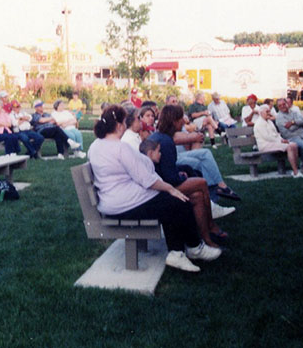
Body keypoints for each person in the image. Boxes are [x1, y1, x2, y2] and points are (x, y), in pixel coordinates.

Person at [88, 104, 220, 272]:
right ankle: (192, 249)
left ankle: (179, 252)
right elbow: (146, 179)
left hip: (112, 204)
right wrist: (171, 189)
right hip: (124, 206)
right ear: (120, 125)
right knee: (178, 201)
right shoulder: (120, 148)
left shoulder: (95, 146)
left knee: (170, 202)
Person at [146, 106, 229, 249]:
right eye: (181, 119)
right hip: (162, 188)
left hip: (161, 182)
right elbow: (170, 178)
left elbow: (166, 169)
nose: (183, 122)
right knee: (202, 183)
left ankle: (205, 238)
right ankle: (210, 227)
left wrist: (179, 173)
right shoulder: (166, 141)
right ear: (174, 121)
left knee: (197, 195)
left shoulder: (159, 136)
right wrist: (181, 177)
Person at [253, 104, 303, 177]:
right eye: (266, 111)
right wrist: (280, 141)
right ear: (260, 113)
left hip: (273, 143)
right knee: (289, 147)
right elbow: (267, 137)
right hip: (265, 145)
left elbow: (276, 134)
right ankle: (295, 172)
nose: (269, 113)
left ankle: (297, 169)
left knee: (294, 145)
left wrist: (282, 139)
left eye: (269, 111)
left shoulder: (269, 122)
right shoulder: (259, 124)